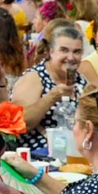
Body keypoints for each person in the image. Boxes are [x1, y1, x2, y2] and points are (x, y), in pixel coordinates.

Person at [9, 22, 82, 151]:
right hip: (38, 157)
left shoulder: (82, 81)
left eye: (76, 52)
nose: (71, 57)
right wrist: (52, 97)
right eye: (64, 50)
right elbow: (19, 123)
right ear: (50, 51)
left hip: (74, 155)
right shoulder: (35, 77)